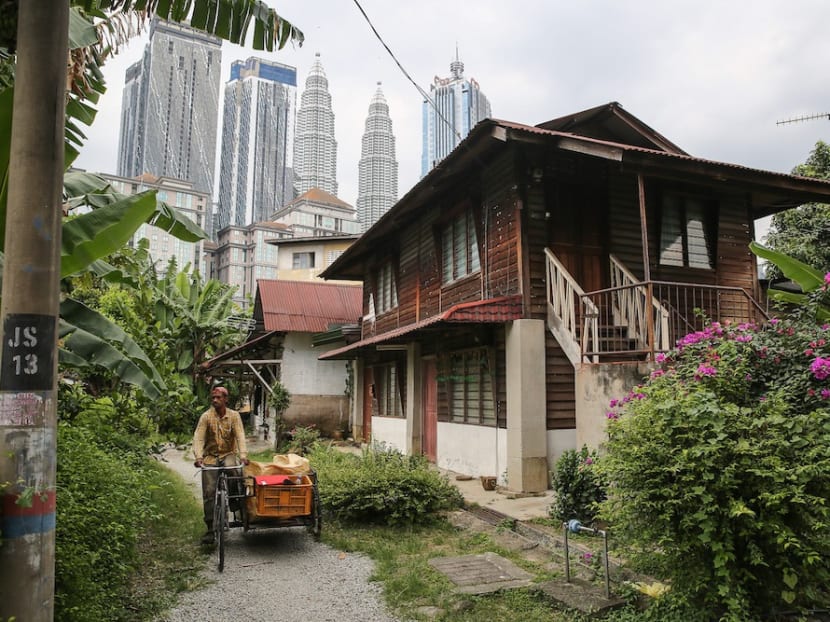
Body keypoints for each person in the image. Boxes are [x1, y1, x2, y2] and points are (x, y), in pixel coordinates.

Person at [193, 386, 249, 544]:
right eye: (213, 398)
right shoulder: (206, 416)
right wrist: (198, 457)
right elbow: (198, 438)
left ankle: (233, 500)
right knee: (209, 491)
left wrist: (243, 456)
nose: (215, 400)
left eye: (218, 397)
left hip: (228, 453)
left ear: (225, 399)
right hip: (210, 456)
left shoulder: (234, 416)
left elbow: (240, 436)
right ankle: (210, 529)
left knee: (233, 471)